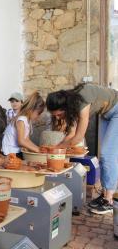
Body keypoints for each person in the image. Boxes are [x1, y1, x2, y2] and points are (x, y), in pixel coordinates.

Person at [46, 83, 118, 214]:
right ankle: (105, 193)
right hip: (106, 114)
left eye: (58, 114)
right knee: (104, 156)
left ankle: (109, 200)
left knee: (107, 154)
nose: (57, 118)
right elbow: (71, 134)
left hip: (117, 109)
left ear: (65, 107)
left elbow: (78, 137)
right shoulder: (71, 105)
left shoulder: (81, 101)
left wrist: (58, 149)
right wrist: (57, 147)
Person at [2, 92, 45, 156]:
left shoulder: (27, 120)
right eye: (38, 113)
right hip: (10, 151)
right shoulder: (21, 119)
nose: (38, 117)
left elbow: (26, 139)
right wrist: (37, 150)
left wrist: (38, 149)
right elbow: (21, 142)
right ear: (31, 110)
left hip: (16, 150)